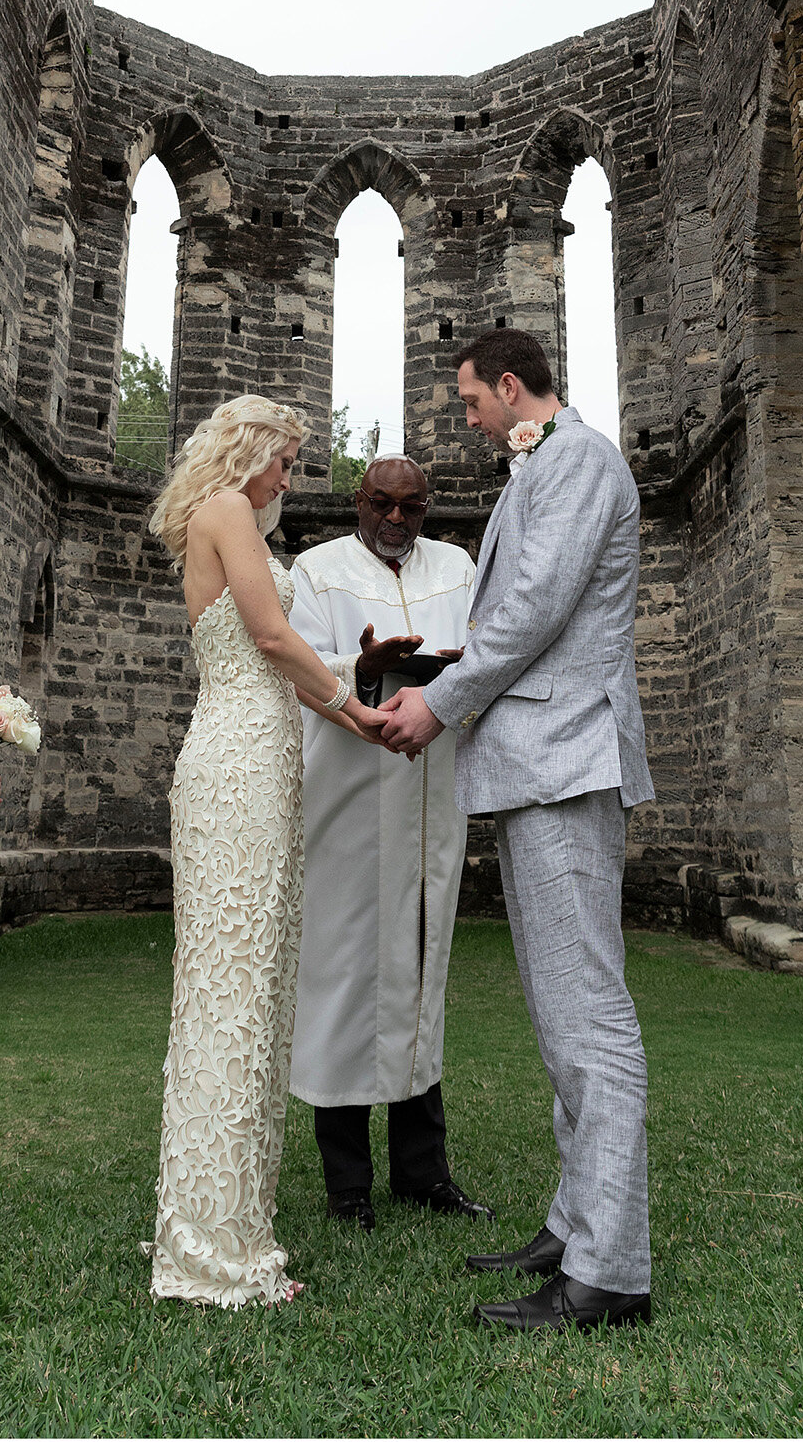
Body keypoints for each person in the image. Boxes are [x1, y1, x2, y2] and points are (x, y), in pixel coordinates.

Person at [381, 328, 655, 1335]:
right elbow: (530, 607)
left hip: (567, 756)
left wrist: (440, 702)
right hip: (540, 758)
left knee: (590, 1014)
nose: (466, 416)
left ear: (509, 385)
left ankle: (611, 1270)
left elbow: (536, 607)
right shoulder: (542, 465)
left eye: (470, 399)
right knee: (559, 1009)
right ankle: (575, 1221)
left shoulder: (577, 458)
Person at [143, 395, 390, 1307]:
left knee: (247, 996)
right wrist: (352, 710)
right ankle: (209, 1252)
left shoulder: (229, 519)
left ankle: (225, 1227)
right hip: (237, 767)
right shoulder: (225, 511)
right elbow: (272, 636)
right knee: (229, 999)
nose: (291, 476)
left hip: (257, 759)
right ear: (247, 452)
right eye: (285, 459)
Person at [288, 455, 493, 1231]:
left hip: (430, 796)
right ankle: (347, 1186)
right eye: (383, 504)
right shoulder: (318, 569)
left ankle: (423, 1173)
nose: (398, 521)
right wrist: (360, 665)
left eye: (413, 508)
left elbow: (484, 651)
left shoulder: (457, 566)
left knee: (419, 970)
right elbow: (298, 668)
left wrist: (445, 676)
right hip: (346, 795)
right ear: (359, 502)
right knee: (342, 980)